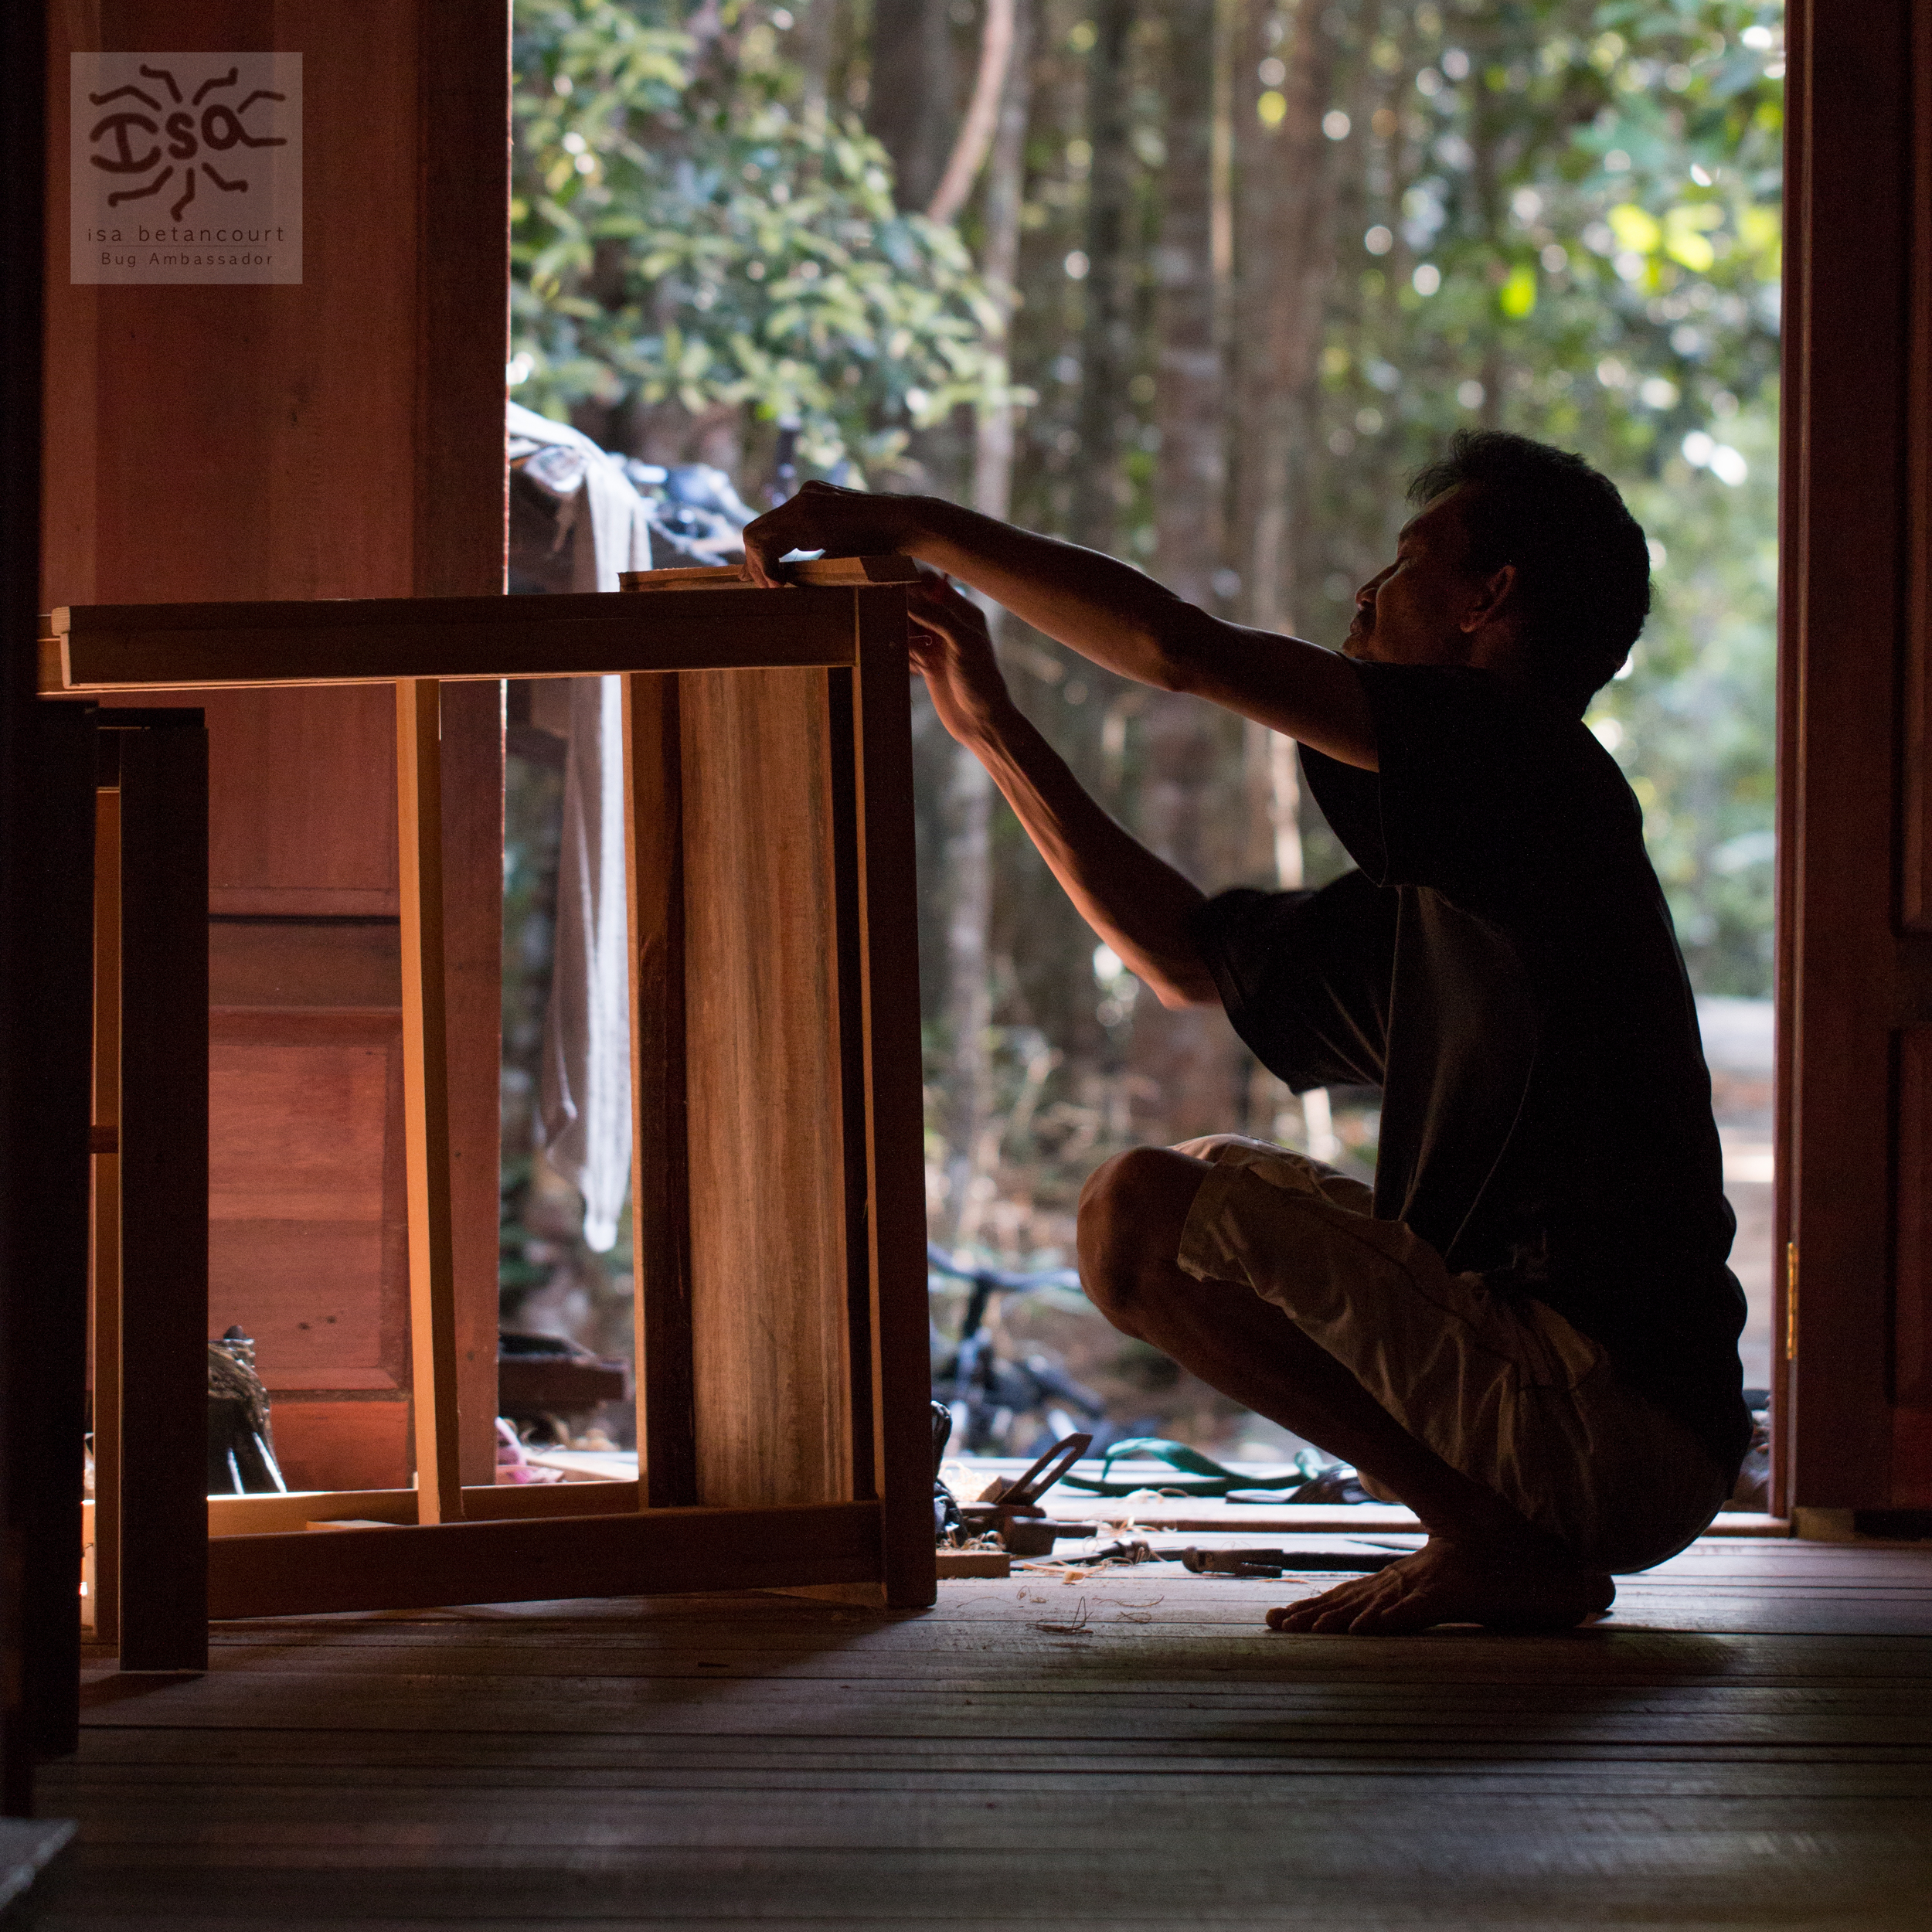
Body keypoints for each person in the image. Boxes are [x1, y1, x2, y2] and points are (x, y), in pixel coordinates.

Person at [743, 430, 1751, 1634]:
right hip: (1587, 1421)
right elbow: (1181, 957)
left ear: (1492, 601)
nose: (1366, 594)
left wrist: (912, 521)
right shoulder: (1464, 876)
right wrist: (986, 719)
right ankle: (1490, 1535)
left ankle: (1488, 1541)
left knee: (1145, 1209)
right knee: (1199, 1189)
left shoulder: (1534, 765)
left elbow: (1180, 654)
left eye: (1407, 560)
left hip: (1606, 1421)